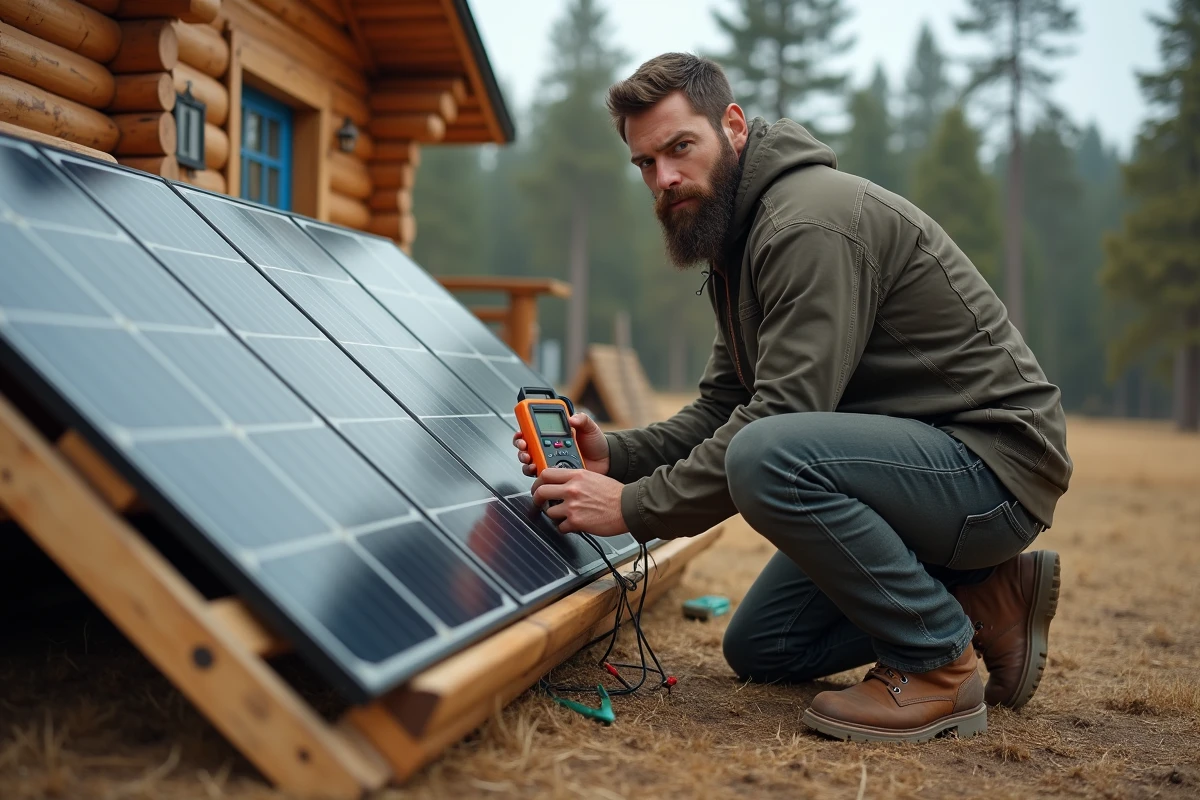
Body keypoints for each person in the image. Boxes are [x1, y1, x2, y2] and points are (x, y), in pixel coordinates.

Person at [513, 53, 1070, 743]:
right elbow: (723, 406)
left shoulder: (805, 225)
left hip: (991, 466)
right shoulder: (739, 242)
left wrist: (631, 509)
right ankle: (983, 590)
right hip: (924, 471)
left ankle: (935, 664)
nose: (665, 178)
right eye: (646, 165)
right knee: (766, 648)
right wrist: (616, 457)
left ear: (734, 127)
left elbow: (776, 421)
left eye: (680, 147)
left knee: (765, 456)